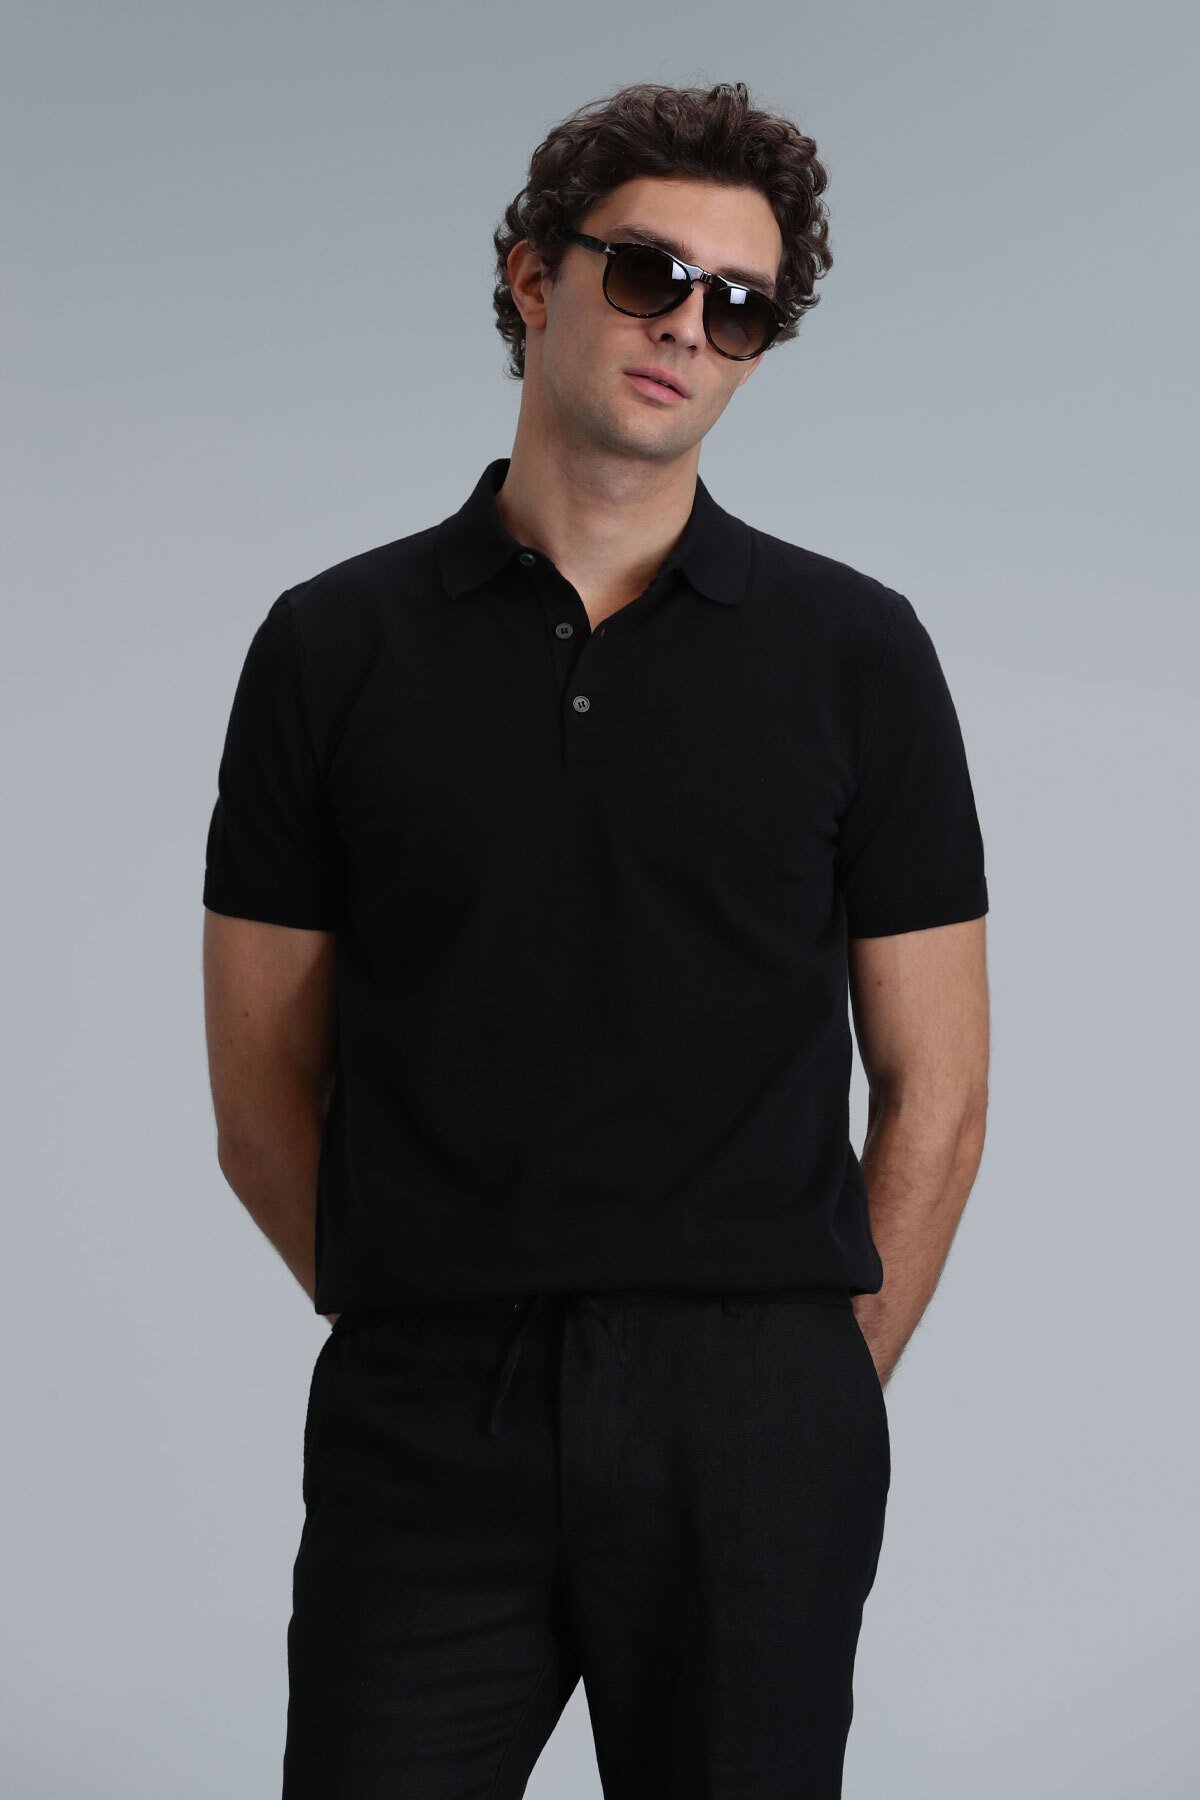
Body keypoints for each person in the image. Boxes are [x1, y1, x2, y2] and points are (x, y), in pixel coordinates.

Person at [202, 77, 990, 1800]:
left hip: (755, 1416)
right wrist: (414, 1313)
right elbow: (259, 1089)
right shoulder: (330, 648)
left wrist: (805, 1385)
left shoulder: (858, 656)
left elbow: (937, 1093)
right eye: (648, 273)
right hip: (428, 1416)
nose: (688, 327)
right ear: (530, 277)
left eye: (739, 304)